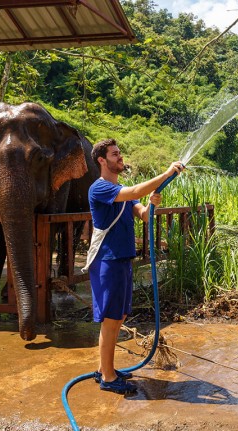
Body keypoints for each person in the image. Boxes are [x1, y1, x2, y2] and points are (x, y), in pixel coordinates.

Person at [88, 138, 183, 394]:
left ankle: (103, 369)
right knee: (110, 319)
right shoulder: (100, 189)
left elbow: (141, 212)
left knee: (119, 317)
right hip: (107, 260)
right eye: (115, 154)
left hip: (122, 259)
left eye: (120, 153)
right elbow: (133, 193)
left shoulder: (122, 191)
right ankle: (108, 377)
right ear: (101, 160)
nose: (120, 157)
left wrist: (152, 205)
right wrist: (165, 174)